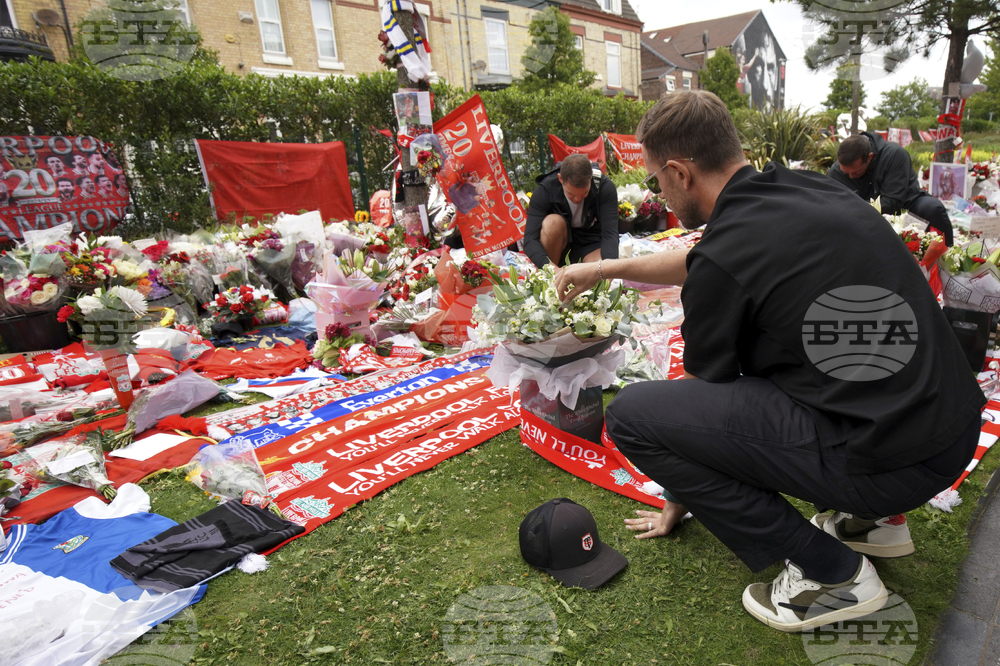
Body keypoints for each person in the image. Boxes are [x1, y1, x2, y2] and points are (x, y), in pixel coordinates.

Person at [554, 90, 984, 633]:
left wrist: (680, 495)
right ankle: (871, 525)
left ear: (680, 172)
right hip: (952, 429)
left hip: (892, 463)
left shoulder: (728, 252)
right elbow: (706, 259)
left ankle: (832, 573)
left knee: (633, 416)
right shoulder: (805, 187)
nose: (659, 193)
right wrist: (603, 268)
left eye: (656, 181)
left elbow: (695, 403)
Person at [828, 132, 954, 245]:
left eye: (856, 172)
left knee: (932, 208)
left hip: (902, 206)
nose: (851, 176)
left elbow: (892, 202)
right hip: (857, 215)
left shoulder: (894, 155)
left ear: (870, 157)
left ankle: (948, 255)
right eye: (846, 173)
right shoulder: (836, 171)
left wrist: (856, 209)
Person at [523, 153, 618, 268]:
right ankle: (549, 275)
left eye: (584, 193)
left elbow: (610, 235)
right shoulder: (545, 190)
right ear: (560, 179)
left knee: (599, 270)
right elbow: (530, 239)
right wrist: (549, 268)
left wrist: (608, 269)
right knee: (552, 223)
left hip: (591, 243)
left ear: (591, 177)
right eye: (571, 194)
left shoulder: (604, 187)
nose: (577, 199)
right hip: (559, 245)